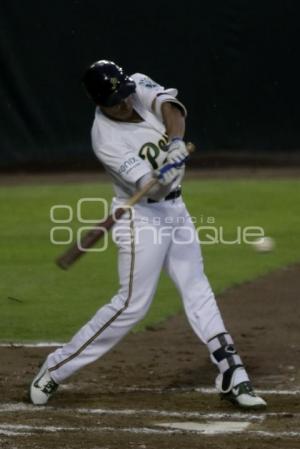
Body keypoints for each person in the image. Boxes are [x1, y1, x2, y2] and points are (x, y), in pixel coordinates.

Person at [30, 60, 266, 409]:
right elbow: (150, 189)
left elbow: (172, 109)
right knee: (131, 304)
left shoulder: (135, 85)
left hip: (176, 211)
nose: (126, 103)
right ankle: (54, 368)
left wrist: (174, 143)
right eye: (116, 101)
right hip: (142, 218)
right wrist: (167, 171)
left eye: (125, 95)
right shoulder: (105, 139)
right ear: (99, 103)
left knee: (195, 285)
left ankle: (232, 371)